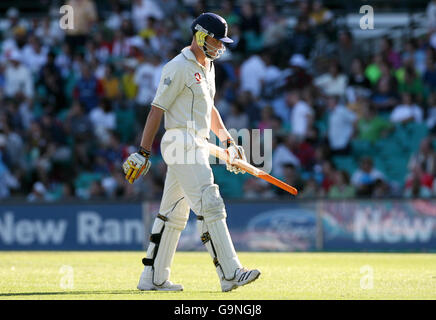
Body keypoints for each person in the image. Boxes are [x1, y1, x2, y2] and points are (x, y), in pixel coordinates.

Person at [122, 13, 260, 292]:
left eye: (222, 42)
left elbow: (210, 109)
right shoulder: (177, 67)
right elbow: (156, 109)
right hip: (179, 142)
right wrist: (143, 152)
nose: (219, 47)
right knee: (210, 201)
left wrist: (229, 143)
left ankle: (153, 278)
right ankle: (231, 272)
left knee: (172, 214)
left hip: (197, 143)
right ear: (199, 35)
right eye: (215, 40)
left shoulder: (208, 67)